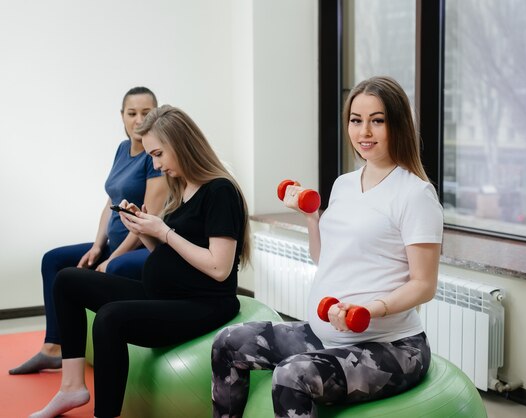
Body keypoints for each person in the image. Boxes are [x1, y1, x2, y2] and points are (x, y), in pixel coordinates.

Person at [211, 76, 443, 417]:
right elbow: (325, 258)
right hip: (327, 334)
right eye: (356, 120)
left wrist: (368, 311)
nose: (364, 132)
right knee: (227, 343)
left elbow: (424, 285)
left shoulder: (416, 195)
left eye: (377, 121)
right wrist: (312, 217)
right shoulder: (345, 184)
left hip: (391, 347)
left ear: (398, 124)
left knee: (291, 376)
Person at [28, 105, 251, 418]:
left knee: (110, 318)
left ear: (181, 145)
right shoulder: (183, 188)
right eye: (152, 157)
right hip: (167, 293)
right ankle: (71, 387)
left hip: (204, 303)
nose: (156, 166)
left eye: (158, 154)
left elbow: (219, 267)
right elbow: (170, 254)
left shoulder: (220, 191)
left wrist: (164, 230)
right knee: (66, 279)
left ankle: (106, 414)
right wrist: (144, 230)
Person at [9, 87, 168, 375]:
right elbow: (111, 200)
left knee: (116, 266)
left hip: (143, 247)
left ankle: (114, 351)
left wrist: (111, 259)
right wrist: (97, 246)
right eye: (132, 113)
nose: (138, 119)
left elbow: (147, 218)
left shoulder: (154, 157)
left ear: (157, 114)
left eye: (146, 112)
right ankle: (53, 348)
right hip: (115, 243)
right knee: (54, 260)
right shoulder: (122, 149)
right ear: (122, 116)